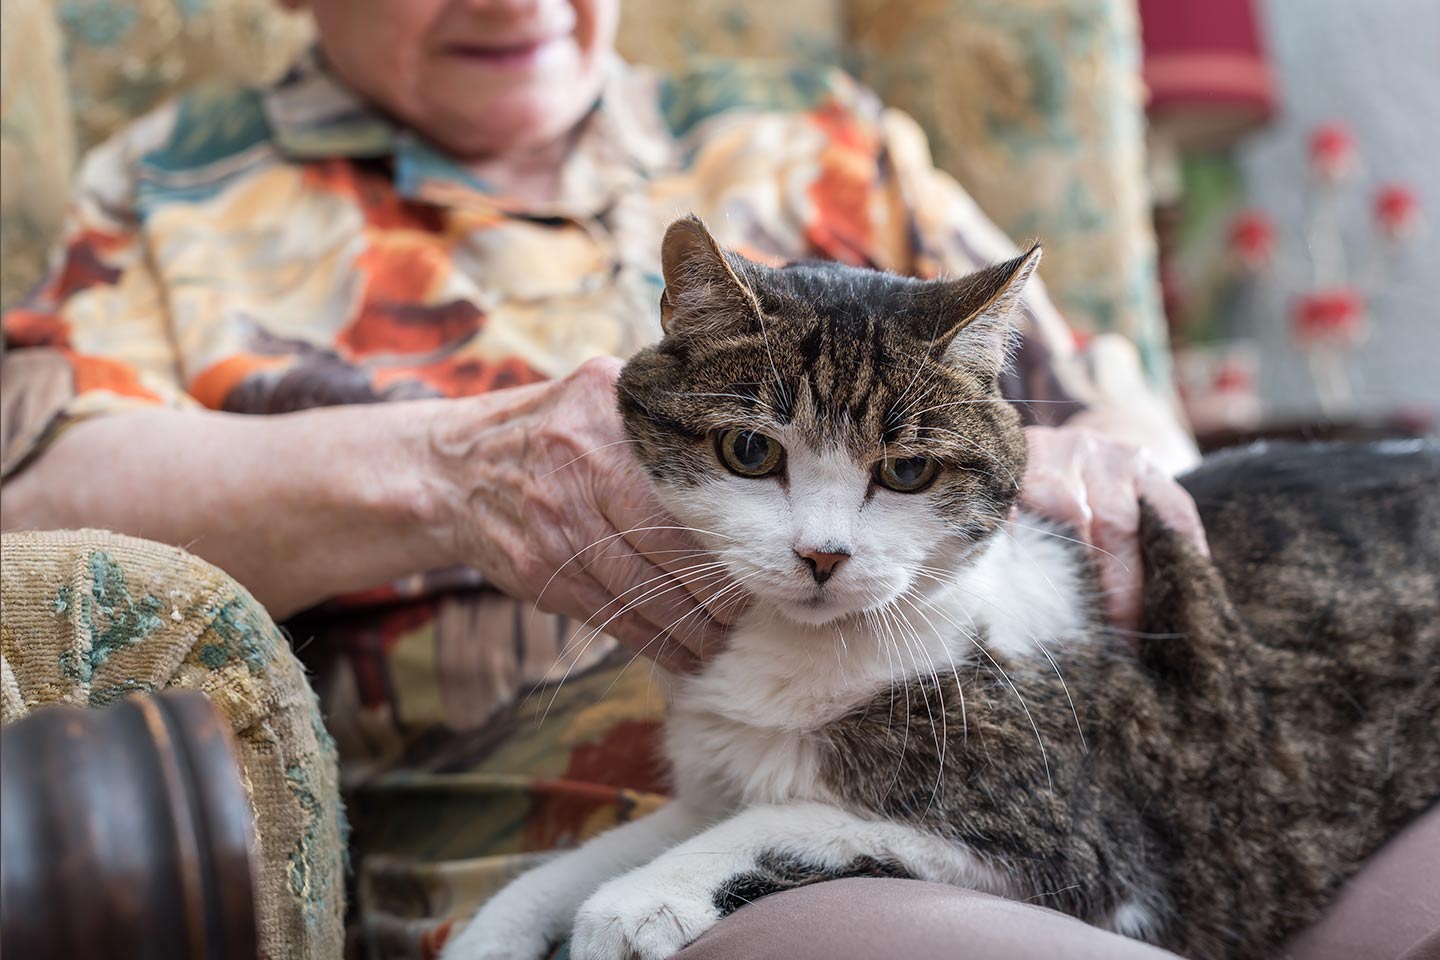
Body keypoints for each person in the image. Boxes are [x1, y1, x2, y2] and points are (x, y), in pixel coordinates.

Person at [4, 2, 1432, 959]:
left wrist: (1078, 464)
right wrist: (443, 469)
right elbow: (38, 522)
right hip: (580, 845)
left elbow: (1151, 481)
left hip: (1034, 767)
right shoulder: (178, 188)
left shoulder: (822, 131)